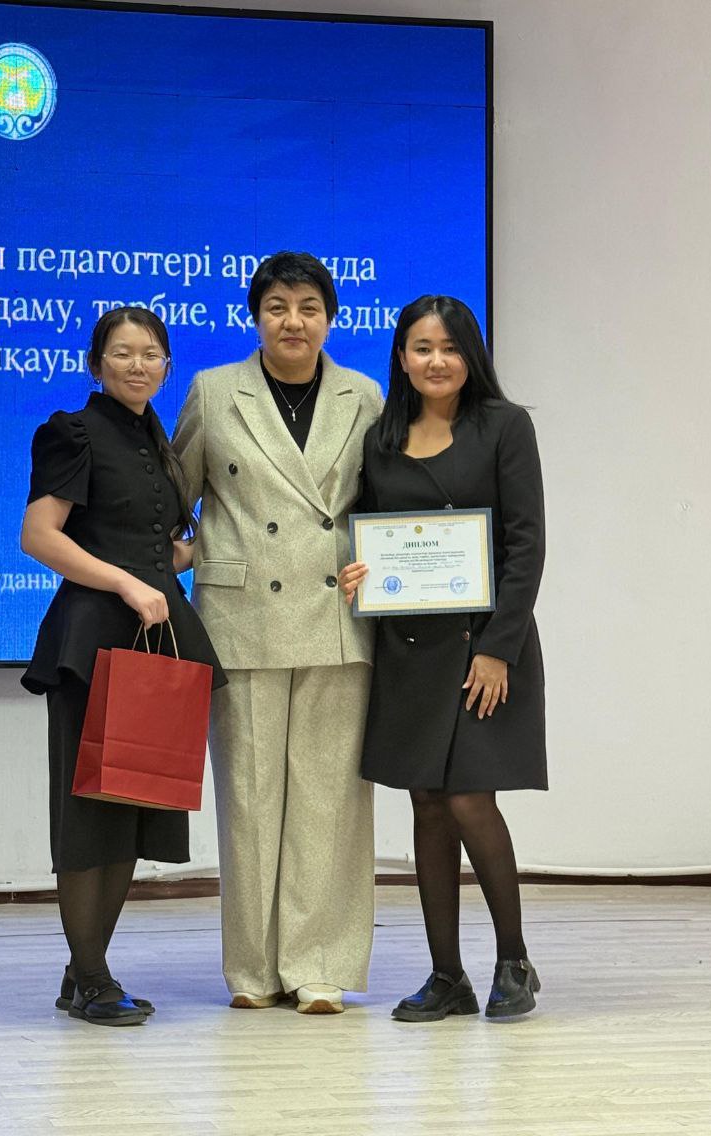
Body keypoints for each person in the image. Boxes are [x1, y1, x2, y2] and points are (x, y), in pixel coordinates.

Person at [173, 251, 383, 1014]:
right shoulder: (213, 390)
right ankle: (254, 969)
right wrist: (171, 554)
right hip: (242, 616)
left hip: (336, 616)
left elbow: (383, 502)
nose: (293, 322)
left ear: (331, 318)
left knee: (331, 800)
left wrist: (384, 566)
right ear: (255, 316)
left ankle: (318, 964)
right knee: (250, 798)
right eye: (277, 307)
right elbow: (176, 492)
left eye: (308, 307)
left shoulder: (365, 395)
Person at [340, 294, 546, 1022]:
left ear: (471, 355)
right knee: (426, 801)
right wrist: (355, 572)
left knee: (468, 798)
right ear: (401, 357)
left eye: (450, 347)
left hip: (484, 646)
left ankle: (513, 961)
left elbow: (526, 546)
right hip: (409, 648)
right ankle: (446, 975)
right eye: (422, 348)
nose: (436, 361)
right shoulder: (382, 437)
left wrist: (498, 650)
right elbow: (368, 529)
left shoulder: (505, 425)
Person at [20, 306, 225, 1027]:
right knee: (88, 814)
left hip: (153, 641)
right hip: (92, 641)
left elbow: (154, 545)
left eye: (151, 354)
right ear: (96, 363)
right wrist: (126, 583)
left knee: (132, 809)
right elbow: (39, 536)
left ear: (166, 366)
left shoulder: (154, 439)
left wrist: (206, 548)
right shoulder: (72, 430)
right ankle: (92, 976)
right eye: (122, 353)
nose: (138, 365)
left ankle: (85, 973)